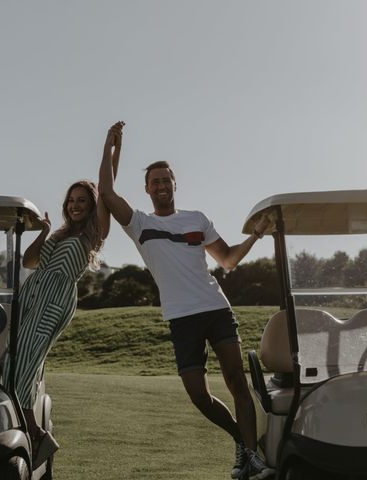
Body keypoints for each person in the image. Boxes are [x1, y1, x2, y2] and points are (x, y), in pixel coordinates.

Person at [98, 125, 273, 480]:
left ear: (174, 184)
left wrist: (255, 235)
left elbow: (228, 260)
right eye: (154, 182)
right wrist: (111, 147)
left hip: (216, 309)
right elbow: (105, 191)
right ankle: (242, 441)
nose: (161, 186)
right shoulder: (138, 224)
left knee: (237, 382)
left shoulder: (197, 219)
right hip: (182, 318)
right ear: (147, 189)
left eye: (166, 180)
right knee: (198, 395)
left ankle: (252, 460)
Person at [6, 122, 123, 445]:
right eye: (71, 200)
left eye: (82, 201)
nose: (75, 205)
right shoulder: (59, 235)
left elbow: (107, 186)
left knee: (25, 362)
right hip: (32, 296)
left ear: (92, 204)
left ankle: (37, 436)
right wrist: (43, 233)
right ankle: (25, 429)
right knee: (13, 359)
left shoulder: (93, 233)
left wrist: (110, 147)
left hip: (54, 301)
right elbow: (29, 262)